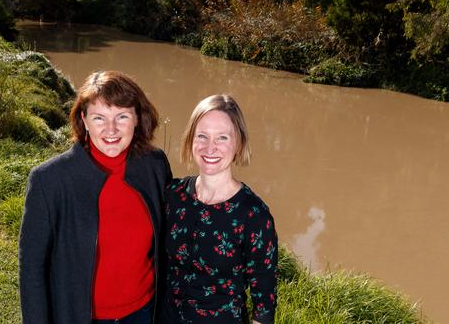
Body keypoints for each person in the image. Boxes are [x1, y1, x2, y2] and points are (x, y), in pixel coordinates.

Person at [19, 70, 172, 324]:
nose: (111, 129)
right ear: (84, 120)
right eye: (99, 118)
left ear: (137, 118)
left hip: (144, 313)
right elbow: (32, 269)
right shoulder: (49, 180)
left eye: (122, 116)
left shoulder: (154, 165)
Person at [161, 95, 278, 324]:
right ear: (190, 140)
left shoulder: (254, 215)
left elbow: (264, 304)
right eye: (202, 136)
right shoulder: (173, 195)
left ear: (239, 144)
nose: (210, 147)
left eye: (222, 137)